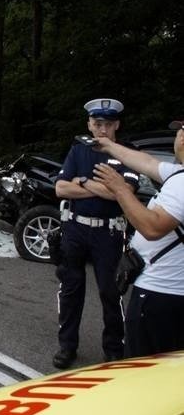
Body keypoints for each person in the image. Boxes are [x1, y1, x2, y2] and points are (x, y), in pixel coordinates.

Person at [52, 98, 140, 369]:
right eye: (97, 123)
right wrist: (106, 188)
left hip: (108, 234)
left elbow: (125, 193)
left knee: (110, 292)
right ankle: (67, 346)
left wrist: (84, 181)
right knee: (70, 289)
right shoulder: (78, 150)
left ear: (117, 125)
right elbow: (61, 190)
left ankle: (113, 349)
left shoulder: (127, 153)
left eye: (108, 124)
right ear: (89, 124)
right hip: (75, 229)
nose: (102, 129)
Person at [92, 120, 184, 357]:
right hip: (170, 293)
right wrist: (109, 146)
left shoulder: (182, 183)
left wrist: (119, 188)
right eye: (180, 129)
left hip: (161, 297)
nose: (180, 134)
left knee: (144, 367)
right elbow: (148, 163)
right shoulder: (178, 173)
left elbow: (152, 228)